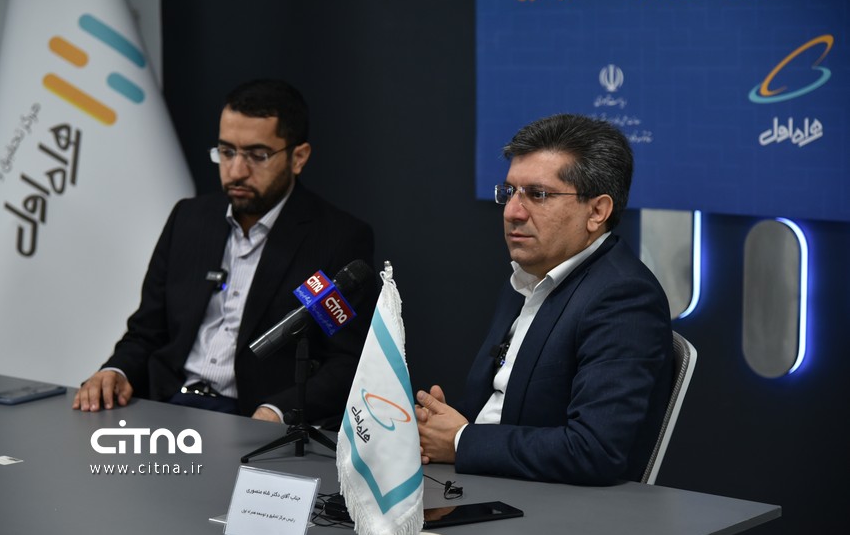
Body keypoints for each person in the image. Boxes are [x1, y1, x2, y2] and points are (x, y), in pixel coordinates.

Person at [72, 79, 376, 429]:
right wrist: (116, 371)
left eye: (257, 155)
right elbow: (147, 331)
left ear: (298, 157)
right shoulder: (188, 219)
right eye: (227, 152)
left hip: (252, 418)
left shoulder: (336, 238)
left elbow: (346, 361)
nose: (236, 171)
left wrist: (278, 411)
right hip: (166, 405)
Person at [416, 114, 673, 485]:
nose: (512, 212)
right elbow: (497, 409)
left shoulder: (624, 298)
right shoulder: (528, 276)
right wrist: (436, 426)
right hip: (482, 481)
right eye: (509, 192)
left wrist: (459, 441)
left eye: (538, 195)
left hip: (550, 508)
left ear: (597, 211)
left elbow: (594, 450)